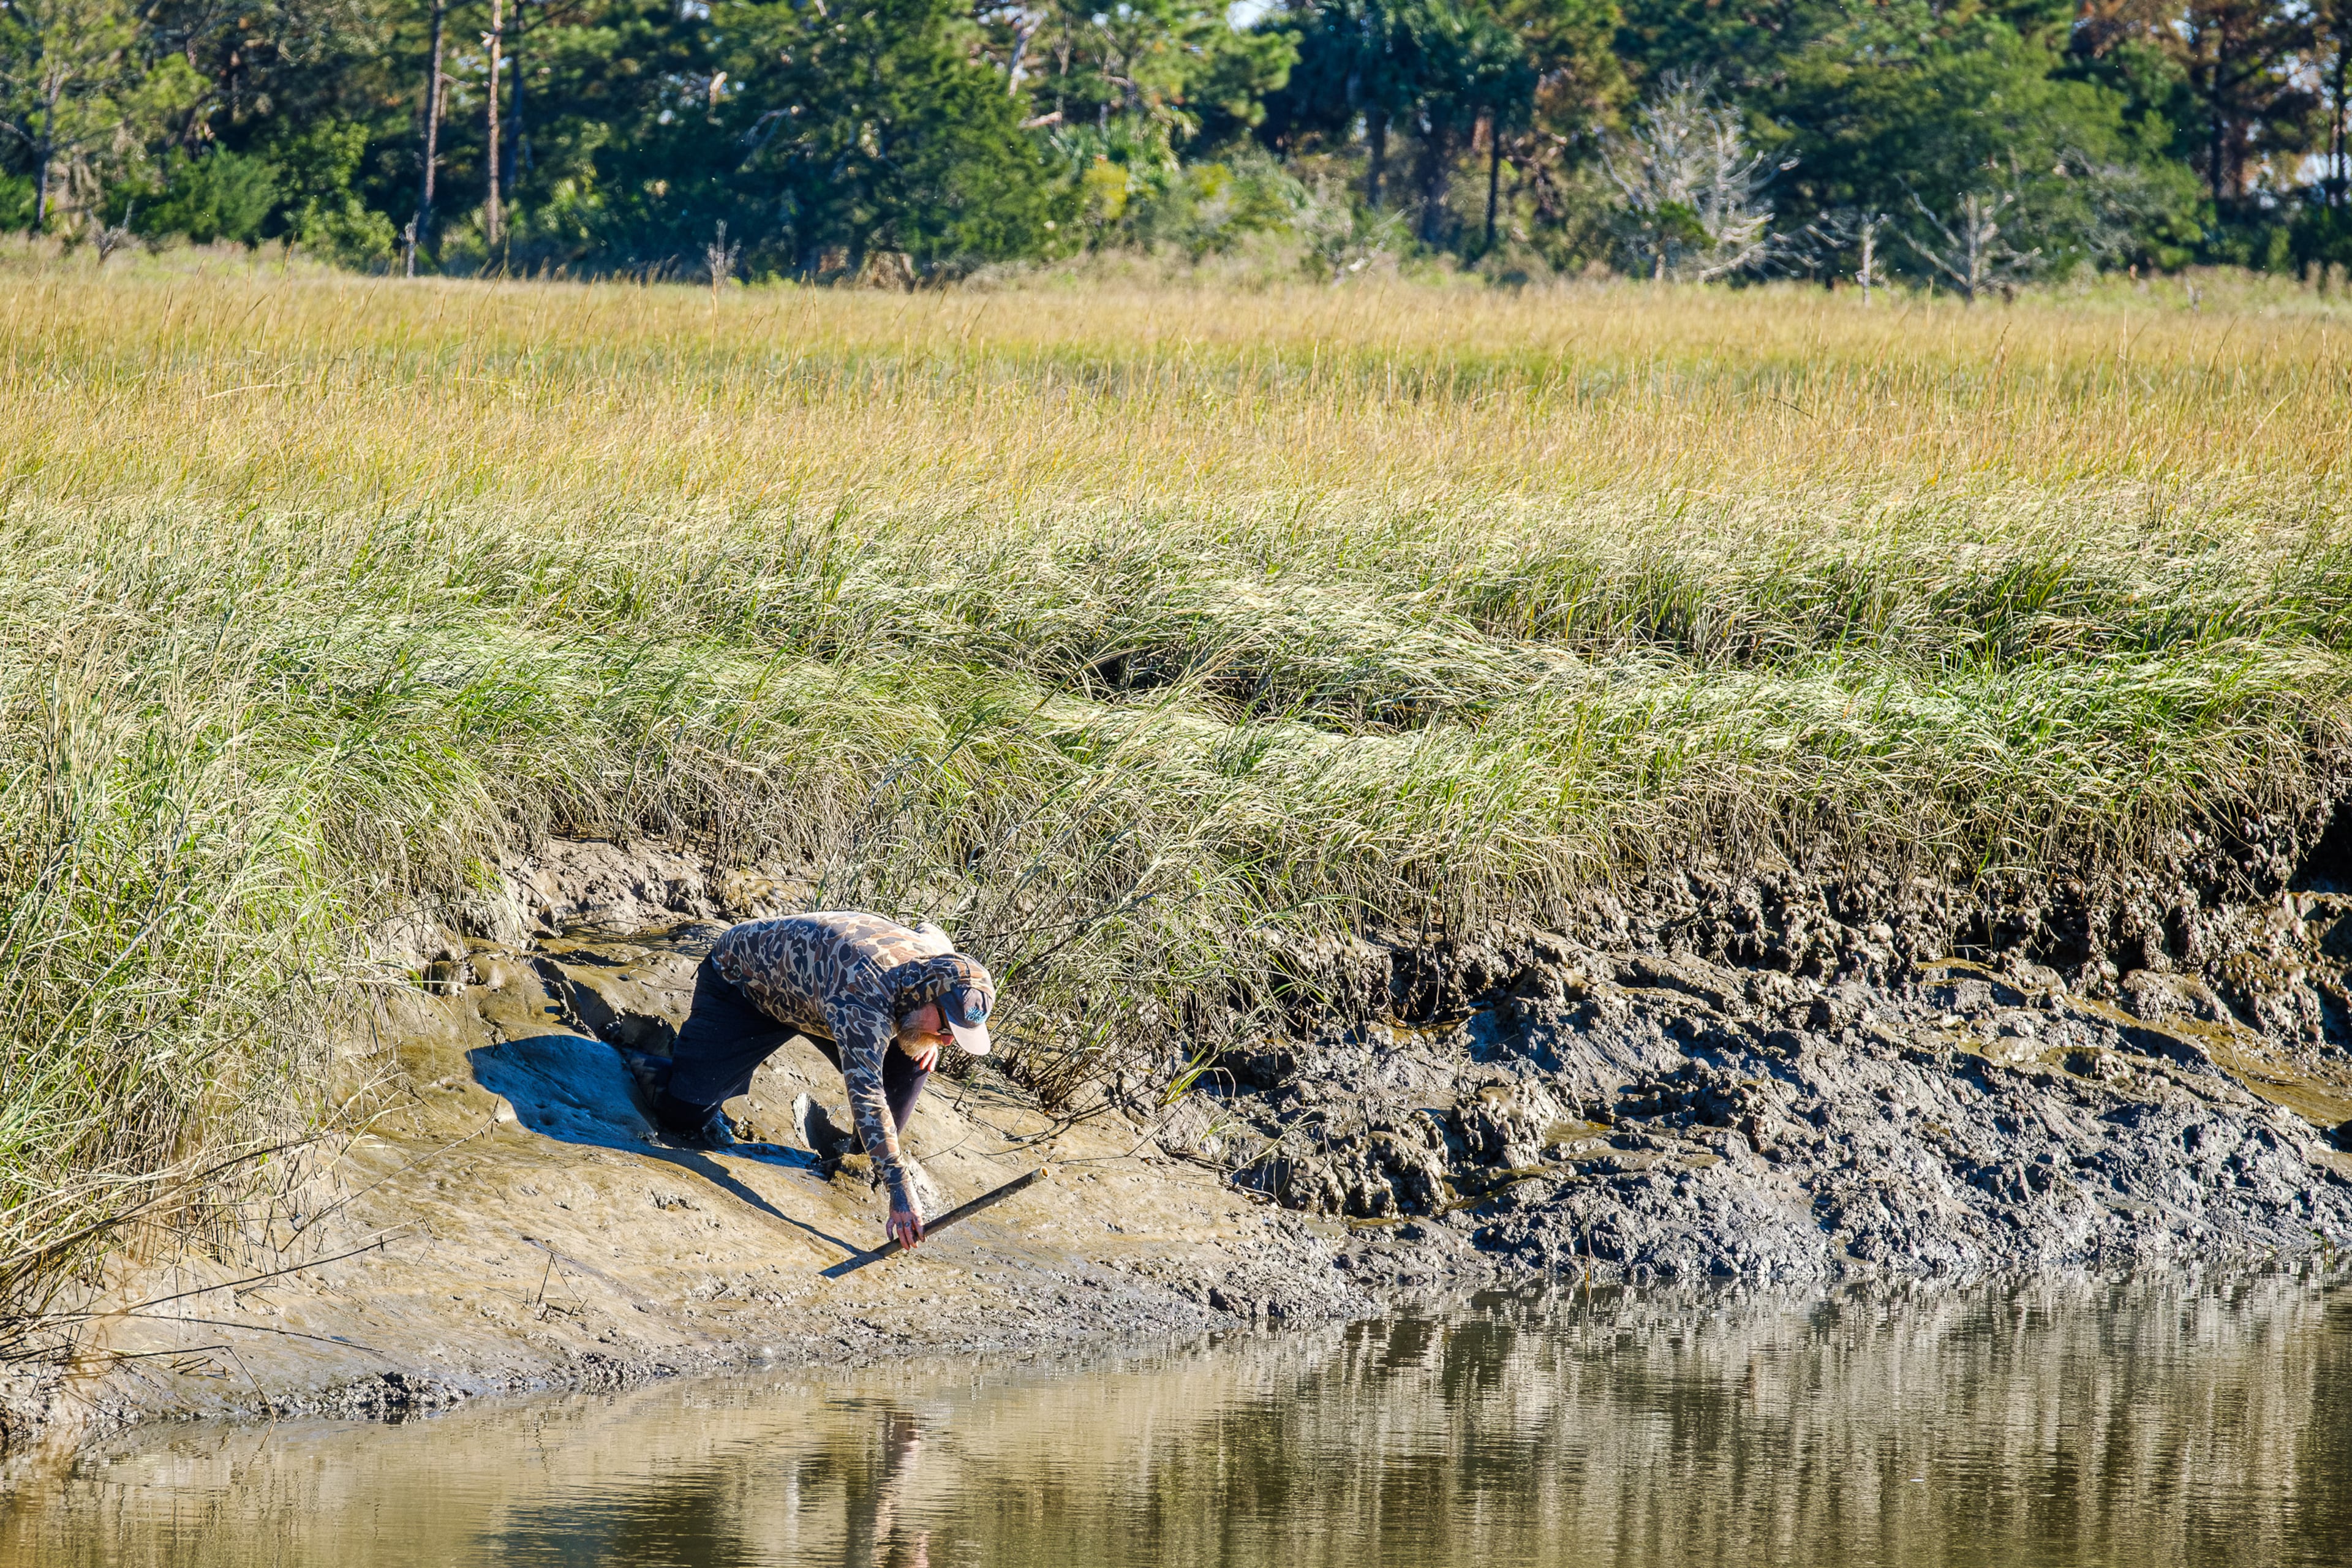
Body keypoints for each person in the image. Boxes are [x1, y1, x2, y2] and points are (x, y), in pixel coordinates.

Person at [650, 911, 996, 1251]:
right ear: (925, 994)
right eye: (947, 1028)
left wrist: (930, 1036)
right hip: (746, 987)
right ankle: (655, 1054)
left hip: (822, 1003)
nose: (948, 1040)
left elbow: (932, 930)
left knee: (916, 1052)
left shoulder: (935, 963)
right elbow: (868, 1095)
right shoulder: (867, 997)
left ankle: (854, 1159)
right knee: (683, 1116)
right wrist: (900, 1187)